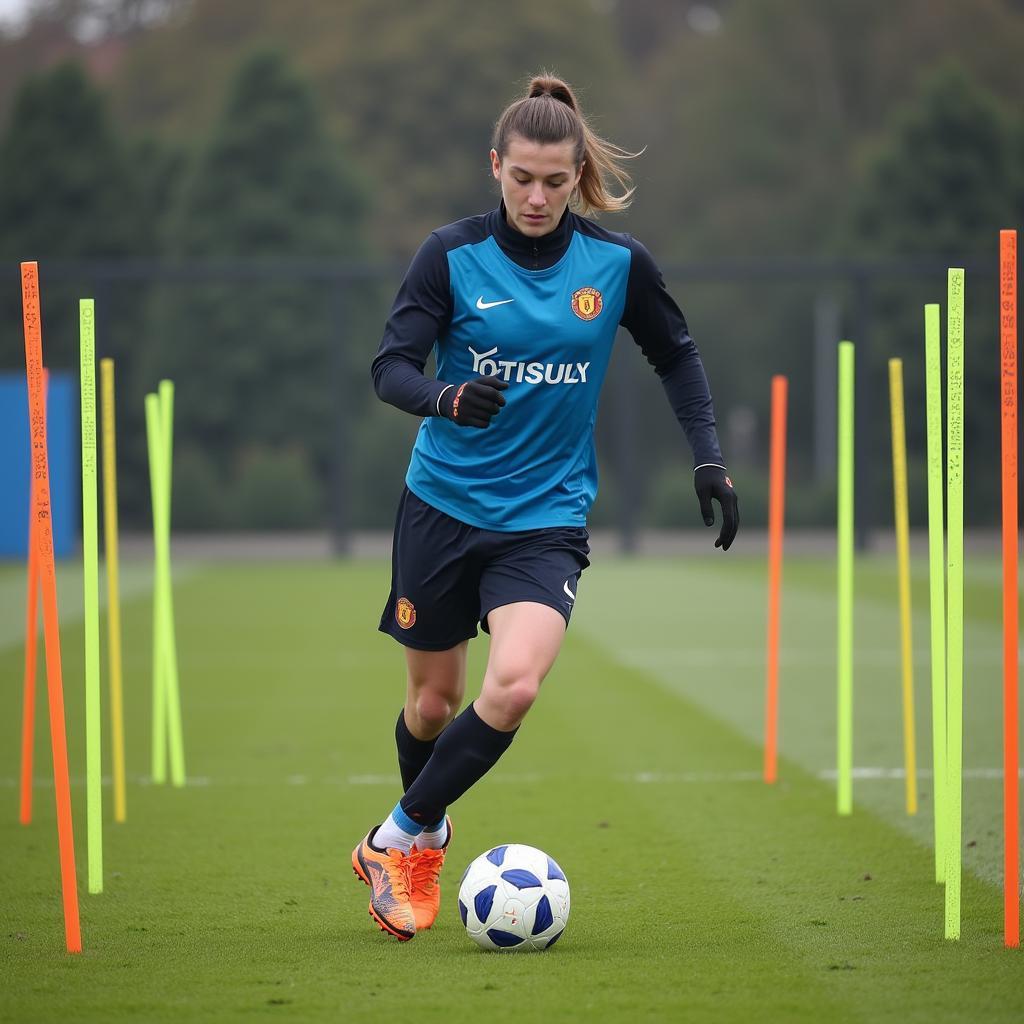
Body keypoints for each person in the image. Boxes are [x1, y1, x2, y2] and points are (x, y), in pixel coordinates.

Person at [353, 74, 739, 941]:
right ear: (496, 167)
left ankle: (400, 838)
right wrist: (447, 398)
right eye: (521, 177)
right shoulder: (448, 257)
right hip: (441, 507)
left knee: (517, 683)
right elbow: (390, 369)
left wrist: (708, 455)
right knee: (431, 706)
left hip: (546, 516)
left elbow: (676, 355)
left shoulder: (615, 264)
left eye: (555, 181)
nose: (536, 196)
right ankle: (427, 821)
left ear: (578, 176)